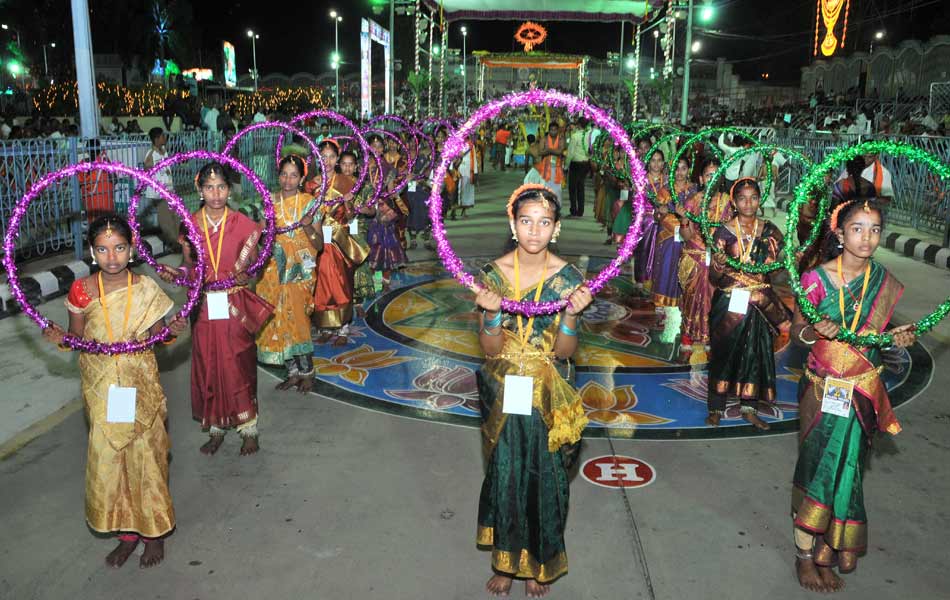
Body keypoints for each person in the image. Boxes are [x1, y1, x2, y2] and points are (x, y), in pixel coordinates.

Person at [43, 216, 186, 569]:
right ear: (92, 253)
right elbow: (80, 340)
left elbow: (160, 335)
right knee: (110, 461)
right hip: (104, 386)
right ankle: (126, 534)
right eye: (103, 250)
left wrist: (173, 331)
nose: (112, 257)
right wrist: (63, 340)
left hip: (140, 385)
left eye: (119, 248)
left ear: (132, 250)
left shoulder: (146, 288)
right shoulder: (81, 290)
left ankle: (152, 533)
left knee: (146, 458)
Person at [789, 198, 915, 592]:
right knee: (817, 468)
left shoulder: (882, 279)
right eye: (858, 228)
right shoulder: (816, 279)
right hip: (823, 389)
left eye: (874, 229)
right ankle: (804, 555)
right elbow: (796, 333)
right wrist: (817, 331)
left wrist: (898, 340)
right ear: (840, 234)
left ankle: (829, 549)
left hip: (863, 390)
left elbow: (875, 338)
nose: (866, 237)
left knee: (850, 470)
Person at [474, 184, 593, 598]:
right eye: (526, 221)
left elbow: (563, 352)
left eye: (544, 223)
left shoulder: (569, 281)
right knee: (506, 474)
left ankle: (536, 564)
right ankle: (506, 562)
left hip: (548, 391)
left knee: (546, 478)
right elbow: (489, 349)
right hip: (504, 389)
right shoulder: (492, 276)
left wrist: (571, 318)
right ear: (512, 224)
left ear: (556, 229)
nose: (534, 232)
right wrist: (491, 314)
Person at [161, 162, 273, 456]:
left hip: (234, 304)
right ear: (199, 190)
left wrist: (246, 275)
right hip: (206, 306)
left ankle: (249, 428)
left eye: (221, 187)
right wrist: (177, 275)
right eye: (209, 188)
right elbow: (189, 268)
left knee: (238, 363)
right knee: (209, 364)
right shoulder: (191, 225)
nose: (216, 194)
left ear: (229, 189)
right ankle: (216, 428)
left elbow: (256, 264)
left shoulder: (242, 223)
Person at [707, 178, 791, 430]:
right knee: (724, 352)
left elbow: (773, 273)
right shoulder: (723, 232)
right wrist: (719, 265)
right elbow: (714, 278)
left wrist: (791, 261)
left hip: (759, 304)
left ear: (759, 199)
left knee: (755, 354)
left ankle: (750, 408)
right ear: (734, 201)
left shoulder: (770, 231)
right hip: (730, 302)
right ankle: (715, 407)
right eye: (743, 198)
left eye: (753, 197)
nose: (748, 203)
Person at [256, 155, 322, 392]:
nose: (287, 180)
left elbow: (319, 245)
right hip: (273, 270)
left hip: (299, 271)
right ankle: (292, 371)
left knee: (298, 319)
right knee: (277, 317)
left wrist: (306, 225)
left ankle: (307, 372)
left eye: (294, 175)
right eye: (284, 174)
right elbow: (261, 237)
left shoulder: (310, 203)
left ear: (302, 177)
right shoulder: (269, 202)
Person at [311, 139, 367, 345]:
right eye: (323, 156)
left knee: (341, 283)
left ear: (337, 159)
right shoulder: (312, 184)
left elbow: (352, 215)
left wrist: (349, 204)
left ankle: (343, 328)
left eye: (331, 157)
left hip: (340, 241)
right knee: (321, 285)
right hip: (318, 242)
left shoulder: (346, 182)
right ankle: (326, 326)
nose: (327, 160)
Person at [678, 158, 733, 361]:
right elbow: (687, 236)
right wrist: (684, 218)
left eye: (716, 175)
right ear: (701, 179)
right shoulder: (693, 200)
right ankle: (686, 340)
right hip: (694, 257)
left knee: (714, 300)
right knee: (691, 300)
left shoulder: (727, 201)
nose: (712, 178)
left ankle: (710, 340)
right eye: (709, 174)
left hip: (717, 258)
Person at [651, 156, 697, 319]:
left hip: (687, 234)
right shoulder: (665, 190)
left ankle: (681, 301)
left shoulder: (694, 191)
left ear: (689, 170)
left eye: (683, 168)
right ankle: (661, 301)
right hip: (667, 235)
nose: (680, 172)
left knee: (684, 268)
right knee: (665, 267)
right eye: (677, 168)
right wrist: (660, 212)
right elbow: (656, 216)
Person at [142, 127, 179, 245]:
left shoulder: (164, 151)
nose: (165, 138)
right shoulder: (151, 154)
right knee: (165, 219)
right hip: (159, 193)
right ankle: (173, 242)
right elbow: (146, 170)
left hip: (169, 190)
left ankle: (178, 240)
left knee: (175, 216)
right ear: (157, 139)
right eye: (163, 136)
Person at [535, 123, 566, 207]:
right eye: (551, 130)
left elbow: (560, 151)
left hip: (557, 168)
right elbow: (540, 152)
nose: (553, 132)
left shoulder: (561, 139)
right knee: (545, 188)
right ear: (548, 130)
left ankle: (556, 207)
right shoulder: (544, 139)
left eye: (555, 130)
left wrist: (548, 150)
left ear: (557, 130)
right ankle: (546, 206)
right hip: (545, 168)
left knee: (558, 190)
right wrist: (554, 151)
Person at [566, 118, 592, 218]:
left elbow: (570, 153)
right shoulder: (587, 136)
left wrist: (566, 166)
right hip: (585, 163)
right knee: (581, 187)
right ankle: (580, 211)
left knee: (572, 188)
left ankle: (573, 210)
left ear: (579, 125)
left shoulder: (575, 136)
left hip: (576, 164)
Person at [457, 136, 479, 218]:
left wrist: (475, 172)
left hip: (469, 172)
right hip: (458, 171)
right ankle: (454, 210)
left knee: (466, 192)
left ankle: (464, 210)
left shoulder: (471, 145)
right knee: (458, 191)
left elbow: (474, 160)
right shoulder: (457, 144)